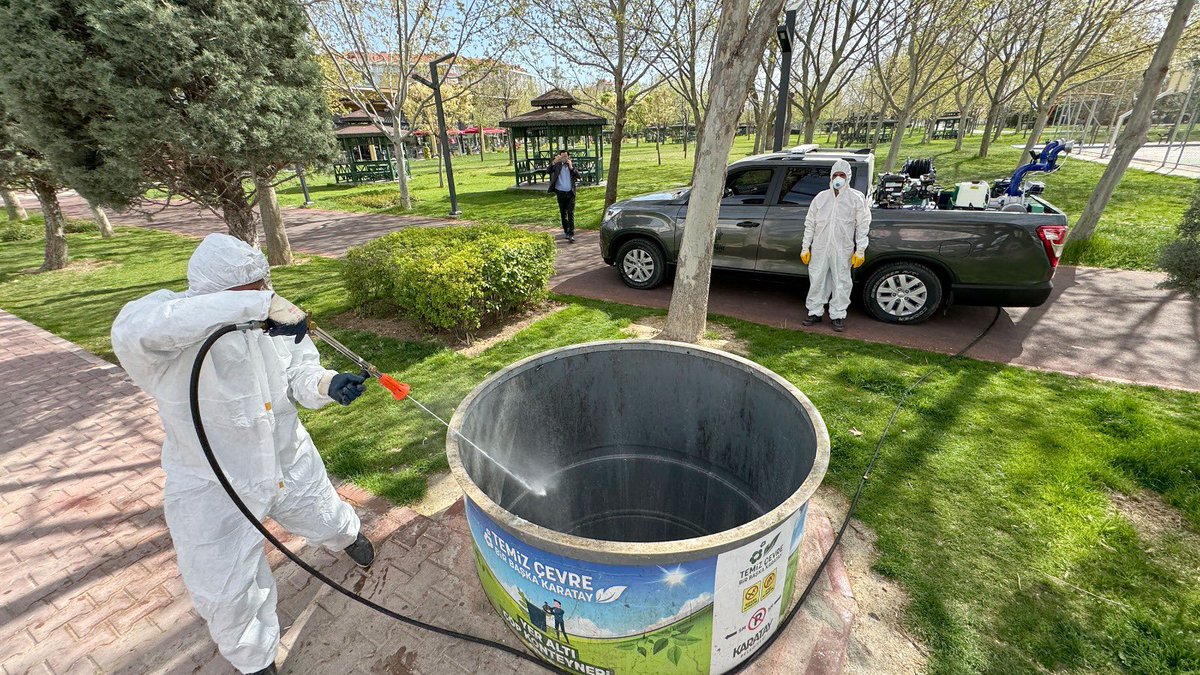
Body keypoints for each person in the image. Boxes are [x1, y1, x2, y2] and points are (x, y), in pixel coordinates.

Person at [111, 233, 375, 675]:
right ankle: (254, 659)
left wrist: (326, 384)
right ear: (213, 294)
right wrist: (254, 307)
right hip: (213, 484)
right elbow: (137, 330)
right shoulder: (166, 334)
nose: (263, 293)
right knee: (226, 582)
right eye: (250, 289)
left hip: (288, 459)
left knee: (323, 509)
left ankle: (347, 538)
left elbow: (299, 371)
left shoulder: (270, 322)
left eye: (263, 283)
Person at [800, 158, 871, 332]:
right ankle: (814, 312)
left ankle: (838, 315)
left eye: (842, 175)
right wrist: (805, 247)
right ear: (831, 177)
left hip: (843, 248)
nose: (838, 178)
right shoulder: (821, 198)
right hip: (820, 247)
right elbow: (810, 223)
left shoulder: (856, 198)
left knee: (841, 282)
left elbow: (862, 225)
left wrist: (860, 250)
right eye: (835, 175)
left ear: (848, 177)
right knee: (817, 279)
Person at [547, 149, 581, 243]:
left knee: (571, 213)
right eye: (562, 156)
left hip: (570, 193)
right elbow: (548, 171)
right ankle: (566, 231)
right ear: (560, 157)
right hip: (560, 192)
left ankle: (571, 234)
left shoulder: (571, 165)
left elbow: (578, 176)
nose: (564, 158)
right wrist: (553, 162)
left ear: (568, 157)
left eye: (565, 156)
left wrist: (571, 167)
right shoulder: (557, 165)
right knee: (563, 213)